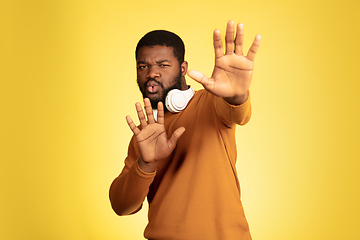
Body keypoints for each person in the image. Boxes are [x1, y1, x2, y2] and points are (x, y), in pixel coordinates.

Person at [109, 20, 261, 240]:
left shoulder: (210, 102)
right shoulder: (145, 133)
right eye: (143, 66)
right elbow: (121, 205)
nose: (152, 73)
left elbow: (238, 113)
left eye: (163, 65)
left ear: (183, 69)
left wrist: (236, 93)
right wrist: (146, 164)